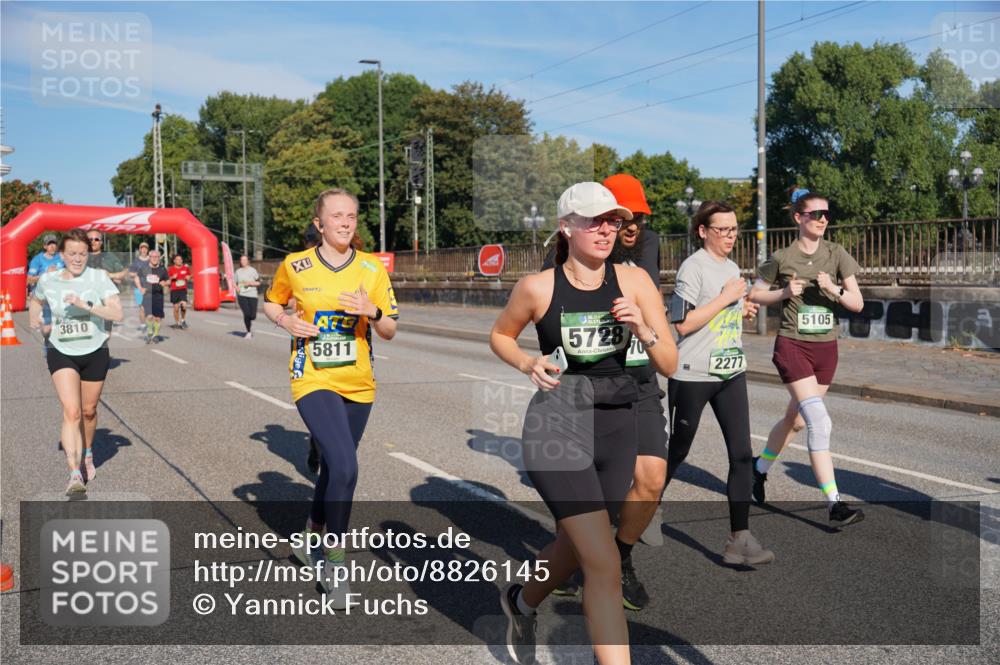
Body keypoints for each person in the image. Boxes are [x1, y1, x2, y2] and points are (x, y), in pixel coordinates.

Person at [491, 182, 676, 665]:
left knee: (577, 546)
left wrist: (643, 328)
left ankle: (522, 601)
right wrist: (528, 363)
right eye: (594, 220)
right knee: (604, 562)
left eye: (612, 221)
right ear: (566, 225)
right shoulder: (538, 287)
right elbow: (501, 335)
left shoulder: (635, 281)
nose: (606, 229)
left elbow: (671, 362)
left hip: (618, 427)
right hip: (557, 425)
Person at [262, 188, 399, 608]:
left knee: (334, 472)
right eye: (336, 216)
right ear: (319, 224)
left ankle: (307, 538)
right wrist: (286, 320)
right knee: (344, 465)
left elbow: (391, 328)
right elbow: (270, 302)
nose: (345, 222)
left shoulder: (371, 269)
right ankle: (333, 562)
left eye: (352, 216)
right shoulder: (296, 265)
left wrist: (371, 312)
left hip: (359, 382)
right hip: (313, 377)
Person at [542, 174, 667, 611]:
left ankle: (621, 555)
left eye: (630, 219)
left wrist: (646, 327)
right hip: (583, 396)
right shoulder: (559, 264)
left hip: (639, 382)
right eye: (613, 219)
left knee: (651, 478)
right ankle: (555, 574)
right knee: (588, 510)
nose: (624, 227)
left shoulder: (647, 249)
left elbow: (665, 340)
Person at [663, 201, 774, 564]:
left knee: (742, 455)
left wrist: (739, 309)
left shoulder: (730, 267)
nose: (730, 235)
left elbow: (719, 315)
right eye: (722, 229)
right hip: (693, 373)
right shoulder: (692, 267)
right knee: (677, 451)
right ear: (703, 231)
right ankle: (643, 507)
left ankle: (738, 539)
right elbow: (682, 324)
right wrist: (727, 298)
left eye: (734, 228)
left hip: (730, 371)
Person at [748, 188, 866, 526]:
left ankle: (758, 470)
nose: (823, 219)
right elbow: (754, 292)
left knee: (798, 421)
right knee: (820, 421)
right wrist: (784, 292)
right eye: (816, 214)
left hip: (826, 350)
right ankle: (834, 504)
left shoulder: (837, 253)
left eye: (827, 214)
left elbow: (857, 303)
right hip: (792, 346)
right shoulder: (782, 257)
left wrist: (834, 290)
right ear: (800, 218)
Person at [28, 228, 123, 494]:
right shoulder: (50, 279)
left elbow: (117, 313)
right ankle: (74, 473)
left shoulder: (99, 277)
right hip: (61, 349)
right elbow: (36, 300)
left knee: (88, 411)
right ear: (62, 254)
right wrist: (34, 317)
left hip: (95, 350)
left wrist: (87, 306)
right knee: (71, 411)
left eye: (82, 253)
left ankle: (88, 451)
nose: (78, 258)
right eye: (72, 253)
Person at [27, 234, 66, 341]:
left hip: (61, 293)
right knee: (48, 326)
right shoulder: (37, 259)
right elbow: (30, 279)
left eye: (54, 244)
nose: (52, 246)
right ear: (45, 246)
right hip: (45, 295)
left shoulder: (62, 257)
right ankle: (47, 341)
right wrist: (47, 274)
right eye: (49, 244)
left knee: (64, 323)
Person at [134, 249, 169, 344]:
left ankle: (156, 334)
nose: (155, 259)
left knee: (157, 318)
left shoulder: (162, 269)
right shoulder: (144, 268)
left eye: (157, 257)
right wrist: (140, 288)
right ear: (149, 258)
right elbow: (136, 277)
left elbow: (168, 280)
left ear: (159, 258)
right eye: (153, 257)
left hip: (158, 295)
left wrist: (165, 282)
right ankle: (150, 332)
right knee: (149, 316)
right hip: (147, 295)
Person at [235, 255, 261, 339]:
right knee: (246, 314)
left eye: (244, 260)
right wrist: (237, 288)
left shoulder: (253, 271)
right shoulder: (238, 271)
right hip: (242, 295)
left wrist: (250, 283)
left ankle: (250, 322)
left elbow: (258, 282)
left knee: (252, 316)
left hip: (252, 295)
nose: (242, 261)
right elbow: (233, 282)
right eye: (241, 260)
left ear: (248, 261)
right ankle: (248, 331)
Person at [128, 242, 151, 330]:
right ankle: (142, 324)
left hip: (150, 287)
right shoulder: (136, 261)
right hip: (138, 287)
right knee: (142, 307)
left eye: (145, 248)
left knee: (150, 307)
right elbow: (130, 273)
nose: (144, 250)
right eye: (142, 248)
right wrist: (138, 273)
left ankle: (149, 323)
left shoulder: (152, 260)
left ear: (147, 250)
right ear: (140, 250)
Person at [168, 254, 192, 329]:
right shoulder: (171, 269)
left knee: (184, 306)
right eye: (178, 259)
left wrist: (189, 277)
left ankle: (183, 320)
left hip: (183, 289)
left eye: (180, 259)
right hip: (174, 290)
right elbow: (167, 279)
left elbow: (190, 276)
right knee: (176, 308)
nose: (179, 261)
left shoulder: (185, 268)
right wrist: (172, 277)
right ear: (174, 261)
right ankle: (177, 322)